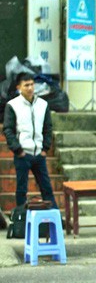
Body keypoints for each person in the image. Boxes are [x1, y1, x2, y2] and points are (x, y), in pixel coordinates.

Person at [3, 73, 58, 209]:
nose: (30, 88)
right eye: (26, 85)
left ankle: (54, 219)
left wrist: (45, 149)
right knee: (21, 190)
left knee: (47, 188)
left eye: (32, 84)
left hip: (39, 154)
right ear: (19, 87)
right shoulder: (12, 105)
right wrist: (18, 150)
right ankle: (21, 221)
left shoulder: (43, 104)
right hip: (22, 155)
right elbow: (8, 130)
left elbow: (47, 128)